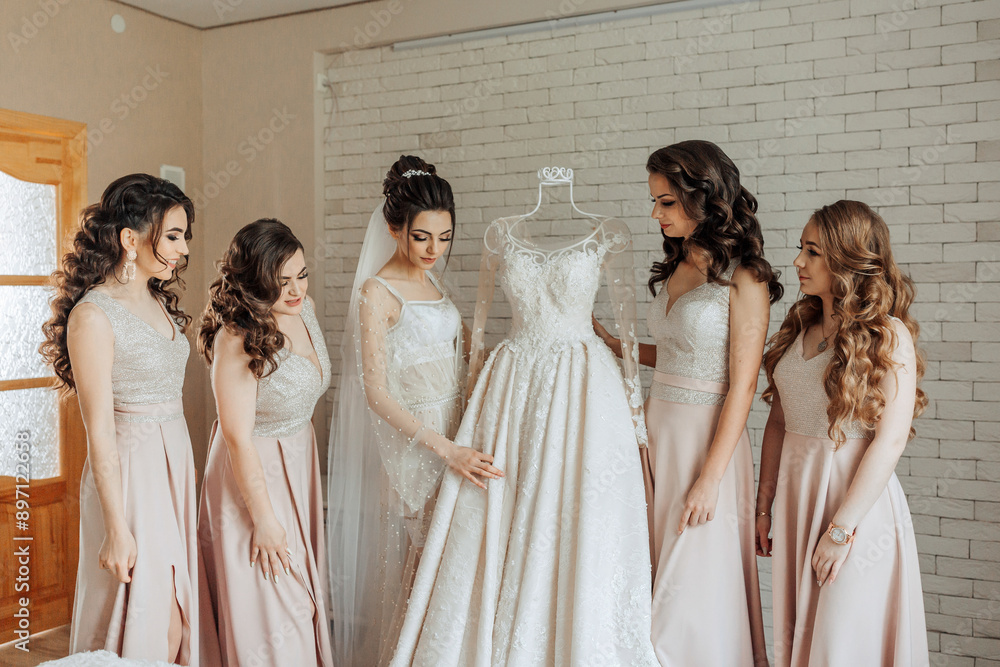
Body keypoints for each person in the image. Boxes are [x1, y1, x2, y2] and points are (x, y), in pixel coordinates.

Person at [595, 140, 777, 666]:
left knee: (691, 587)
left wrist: (710, 478)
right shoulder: (677, 265)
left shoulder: (746, 276)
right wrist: (615, 345)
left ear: (705, 196)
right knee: (651, 573)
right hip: (658, 435)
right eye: (654, 201)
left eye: (667, 202)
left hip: (706, 445)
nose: (655, 213)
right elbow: (678, 354)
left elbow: (742, 385)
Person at [328, 155, 501, 665]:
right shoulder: (376, 293)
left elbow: (469, 357)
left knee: (453, 573)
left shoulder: (436, 283)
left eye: (444, 237)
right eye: (422, 237)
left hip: (457, 433)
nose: (434, 249)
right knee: (423, 575)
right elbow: (377, 394)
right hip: (417, 450)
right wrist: (446, 450)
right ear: (393, 228)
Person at [756, 200, 929, 666]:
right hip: (798, 496)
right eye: (801, 248)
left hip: (855, 506)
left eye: (812, 252)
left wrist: (842, 529)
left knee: (844, 637)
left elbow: (891, 440)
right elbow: (778, 421)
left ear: (847, 259)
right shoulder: (800, 327)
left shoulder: (888, 334)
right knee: (804, 632)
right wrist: (764, 504)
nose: (798, 261)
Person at [40, 173, 199, 664]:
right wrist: (115, 525)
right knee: (150, 618)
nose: (183, 249)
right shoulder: (93, 316)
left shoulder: (156, 299)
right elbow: (100, 434)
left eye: (184, 236)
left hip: (173, 467)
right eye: (173, 236)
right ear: (130, 238)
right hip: (130, 475)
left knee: (177, 618)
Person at [197, 219, 333, 667]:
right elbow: (237, 437)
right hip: (250, 476)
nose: (296, 290)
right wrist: (265, 518)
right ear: (255, 283)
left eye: (302, 275)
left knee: (301, 607)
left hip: (297, 463)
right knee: (273, 617)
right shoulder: (236, 338)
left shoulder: (304, 309)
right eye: (281, 281)